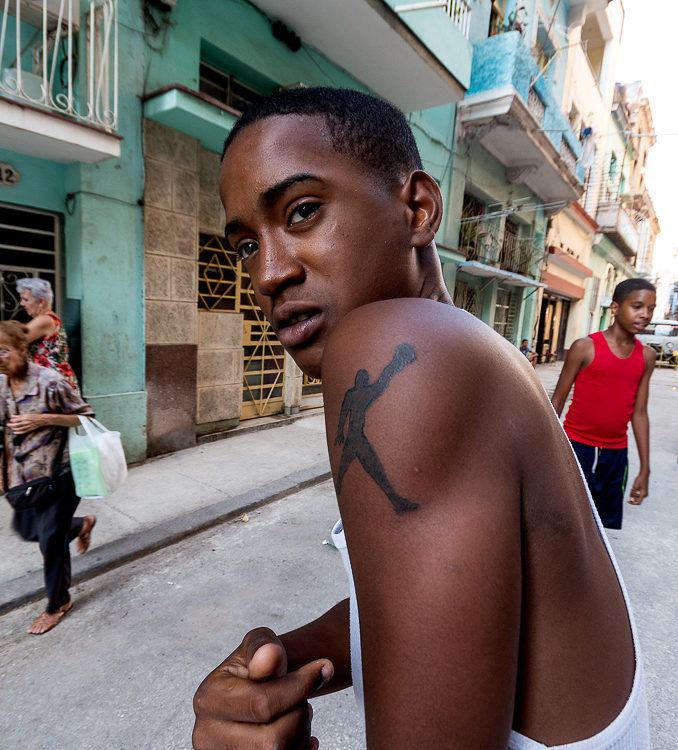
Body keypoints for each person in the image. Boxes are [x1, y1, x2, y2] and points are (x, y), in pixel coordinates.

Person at [192, 88, 649, 749]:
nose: (267, 274)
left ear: (418, 209)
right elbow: (454, 606)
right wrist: (287, 664)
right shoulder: (477, 348)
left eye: (302, 212)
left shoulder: (404, 345)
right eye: (243, 247)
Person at [0, 321, 96, 634]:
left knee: (51, 543)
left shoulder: (50, 381)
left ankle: (58, 603)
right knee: (27, 530)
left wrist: (42, 418)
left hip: (59, 476)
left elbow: (86, 415)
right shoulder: (2, 386)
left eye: (4, 351)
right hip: (22, 479)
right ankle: (82, 524)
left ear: (22, 350)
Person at [551, 279, 656, 530]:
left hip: (615, 455)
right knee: (569, 522)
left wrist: (645, 468)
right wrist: (545, 450)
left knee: (601, 528)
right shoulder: (584, 348)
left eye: (651, 309)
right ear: (615, 307)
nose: (645, 314)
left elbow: (639, 414)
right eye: (637, 306)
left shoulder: (647, 356)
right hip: (576, 448)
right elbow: (557, 401)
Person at [16, 277, 79, 391]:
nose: (22, 304)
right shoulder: (48, 319)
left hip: (53, 386)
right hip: (52, 383)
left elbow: (12, 340)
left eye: (25, 300)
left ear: (41, 301)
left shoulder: (45, 320)